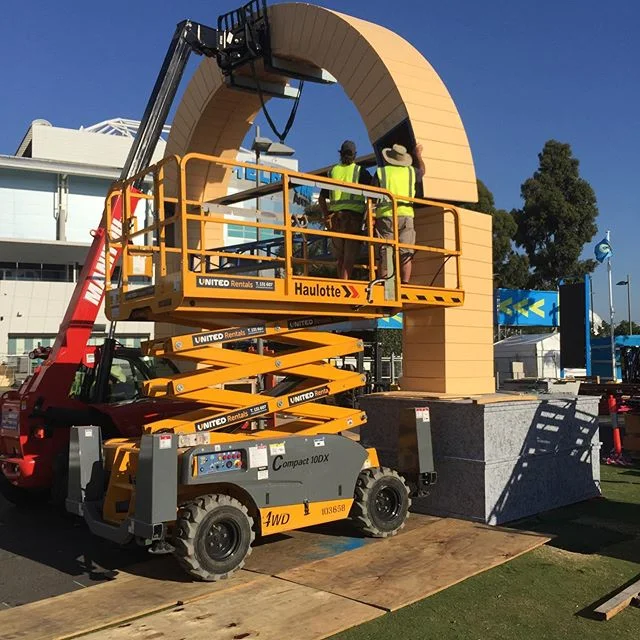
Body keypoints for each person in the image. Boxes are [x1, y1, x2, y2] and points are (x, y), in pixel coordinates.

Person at [371, 143, 425, 284]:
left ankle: (384, 282)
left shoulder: (381, 172)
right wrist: (418, 154)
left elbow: (371, 193)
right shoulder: (411, 172)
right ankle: (405, 283)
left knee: (385, 251)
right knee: (405, 252)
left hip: (385, 215)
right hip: (406, 215)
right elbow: (423, 171)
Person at [318, 140, 371, 280]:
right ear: (354, 155)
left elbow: (321, 198)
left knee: (340, 258)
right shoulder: (360, 171)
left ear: (340, 154)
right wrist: (369, 216)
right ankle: (344, 286)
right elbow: (375, 194)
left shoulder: (333, 171)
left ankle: (340, 285)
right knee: (349, 258)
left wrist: (326, 216)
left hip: (336, 220)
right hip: (353, 220)